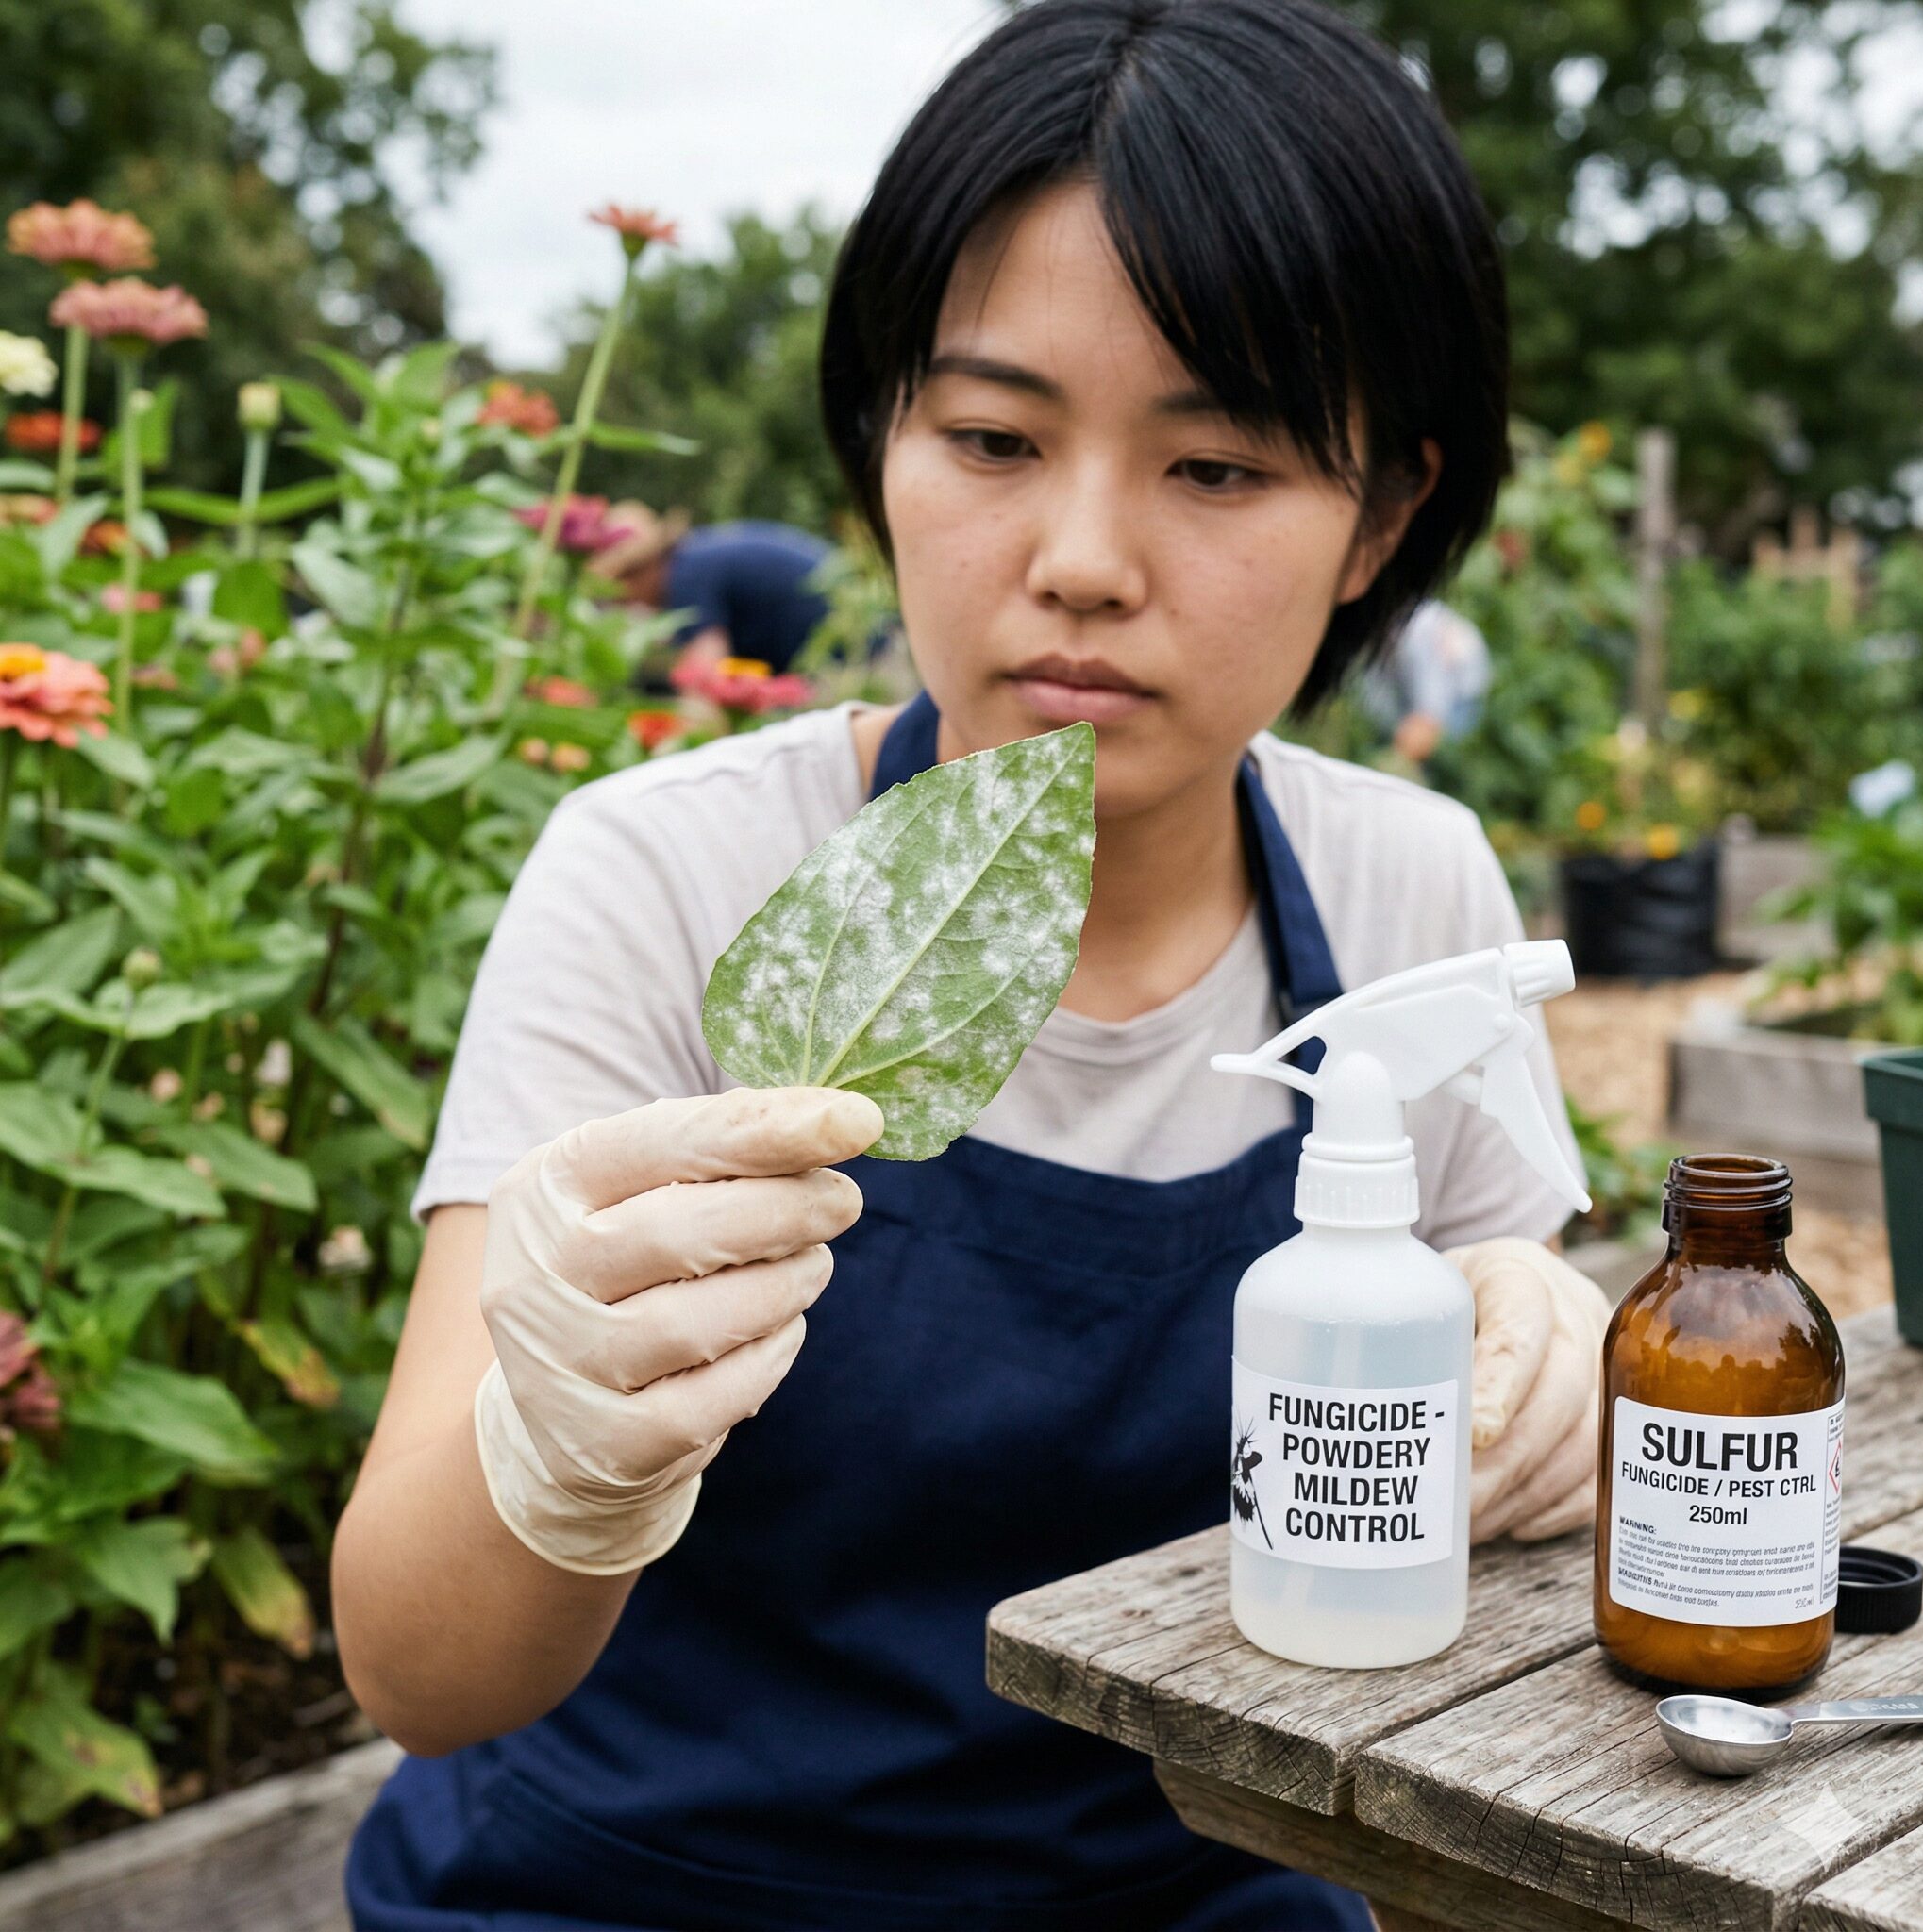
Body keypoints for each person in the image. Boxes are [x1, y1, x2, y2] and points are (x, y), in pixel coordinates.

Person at [335, 4, 1607, 1926]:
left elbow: (1523, 1479)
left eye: (1222, 466)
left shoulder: (1403, 881)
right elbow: (415, 1673)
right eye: (995, 437)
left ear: (1385, 518)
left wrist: (1557, 1378)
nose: (1083, 557)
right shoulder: (668, 874)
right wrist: (558, 1440)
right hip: (629, 1888)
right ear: (884, 445)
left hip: (1205, 1888)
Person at [596, 505, 835, 675]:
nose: (620, 602)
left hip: (844, 648)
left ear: (642, 571)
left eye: (615, 590)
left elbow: (706, 675)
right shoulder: (694, 557)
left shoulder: (685, 579)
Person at [1359, 596, 1494, 764]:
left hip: (1460, 694)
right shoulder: (1387, 621)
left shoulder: (1417, 638)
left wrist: (1397, 760)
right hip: (1411, 677)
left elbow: (1428, 715)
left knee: (1430, 751)